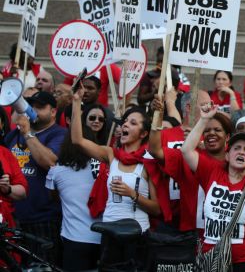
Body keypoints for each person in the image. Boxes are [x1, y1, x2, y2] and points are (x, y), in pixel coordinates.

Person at [71, 85, 160, 266]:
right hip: (110, 233)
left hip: (137, 235)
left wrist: (132, 194)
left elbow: (156, 209)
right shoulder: (111, 154)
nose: (125, 124)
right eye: (125, 121)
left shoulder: (148, 162)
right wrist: (76, 102)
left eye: (133, 123)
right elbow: (77, 140)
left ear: (144, 133)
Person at [181, 103, 245, 271]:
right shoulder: (212, 171)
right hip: (211, 256)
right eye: (237, 148)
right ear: (228, 155)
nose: (241, 152)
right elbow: (186, 150)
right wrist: (204, 119)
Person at [149, 94, 232, 232]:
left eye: (217, 130)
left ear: (227, 137)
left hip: (224, 233)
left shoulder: (234, 162)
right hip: (190, 233)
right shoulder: (187, 158)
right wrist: (157, 116)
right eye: (207, 131)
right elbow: (155, 150)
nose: (212, 134)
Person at [5, 91, 66, 264]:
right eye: (32, 106)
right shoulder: (14, 135)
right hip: (13, 218)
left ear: (53, 111)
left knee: (42, 266)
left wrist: (28, 133)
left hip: (43, 219)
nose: (34, 110)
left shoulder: (59, 134)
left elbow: (48, 161)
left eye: (40, 107)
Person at [46, 129, 101, 271]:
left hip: (74, 239)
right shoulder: (103, 167)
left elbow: (53, 197)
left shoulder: (56, 171)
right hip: (104, 237)